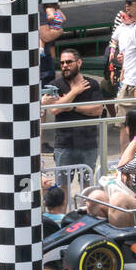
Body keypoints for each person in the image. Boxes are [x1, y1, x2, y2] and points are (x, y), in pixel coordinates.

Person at [41, 48, 106, 181]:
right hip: (64, 144)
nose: (65, 65)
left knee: (87, 186)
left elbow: (98, 110)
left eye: (69, 62)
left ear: (79, 63)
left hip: (88, 143)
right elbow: (54, 110)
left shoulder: (91, 84)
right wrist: (74, 92)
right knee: (63, 186)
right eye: (62, 63)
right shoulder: (55, 85)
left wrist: (72, 107)